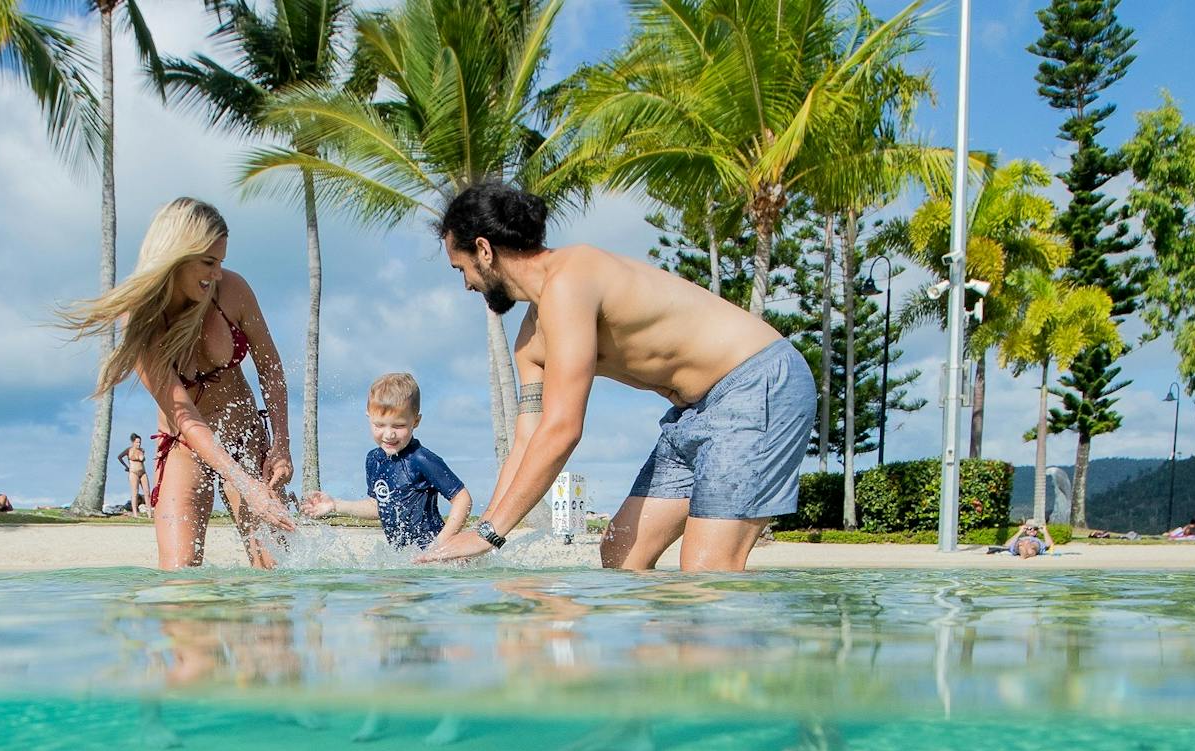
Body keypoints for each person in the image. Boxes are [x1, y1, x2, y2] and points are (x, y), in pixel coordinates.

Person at [417, 181, 816, 573]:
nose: (466, 284)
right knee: (620, 554)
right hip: (694, 413)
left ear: (484, 251)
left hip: (754, 381)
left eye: (462, 267)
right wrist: (480, 529)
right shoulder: (529, 342)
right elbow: (527, 439)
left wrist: (490, 534)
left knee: (707, 570)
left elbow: (563, 429)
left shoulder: (571, 277)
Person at [62, 198, 294, 568]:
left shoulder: (233, 290)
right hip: (185, 445)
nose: (217, 273)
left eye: (221, 262)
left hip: (245, 437)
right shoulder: (140, 320)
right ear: (176, 255)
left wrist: (281, 444)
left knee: (276, 573)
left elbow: (271, 367)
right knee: (179, 581)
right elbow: (185, 416)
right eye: (208, 262)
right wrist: (245, 485)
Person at [302, 372, 472, 550]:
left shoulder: (422, 459)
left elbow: (462, 498)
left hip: (432, 555)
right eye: (379, 425)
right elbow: (378, 506)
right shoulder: (374, 460)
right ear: (369, 416)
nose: (389, 434)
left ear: (416, 421)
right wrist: (335, 505)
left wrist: (439, 544)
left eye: (399, 426)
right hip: (403, 558)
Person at [117, 433, 149, 516]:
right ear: (133, 442)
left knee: (147, 492)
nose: (139, 444)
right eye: (137, 442)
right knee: (135, 493)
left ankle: (149, 513)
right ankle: (135, 514)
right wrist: (126, 466)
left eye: (140, 442)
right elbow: (119, 457)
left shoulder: (142, 450)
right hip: (133, 472)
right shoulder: (129, 450)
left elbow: (142, 460)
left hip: (143, 472)